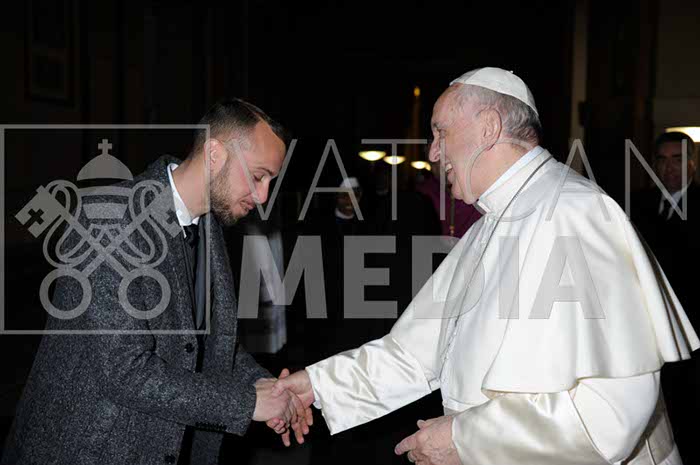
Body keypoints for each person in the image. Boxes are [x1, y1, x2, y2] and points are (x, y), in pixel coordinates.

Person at [272, 68, 699, 465]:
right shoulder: (489, 224)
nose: (433, 152)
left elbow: (611, 416)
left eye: (440, 132)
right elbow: (414, 354)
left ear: (489, 127)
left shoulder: (577, 213)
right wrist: (316, 385)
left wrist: (463, 438)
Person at [2, 99, 310, 465]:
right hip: (83, 449)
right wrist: (249, 402)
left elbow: (205, 346)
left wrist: (266, 386)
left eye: (271, 181)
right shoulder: (107, 220)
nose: (263, 197)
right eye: (258, 176)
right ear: (215, 154)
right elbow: (125, 371)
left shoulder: (209, 227)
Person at [631, 131, 700, 463]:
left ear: (692, 164)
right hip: (650, 326)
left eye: (677, 159)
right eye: (662, 159)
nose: (669, 167)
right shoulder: (637, 204)